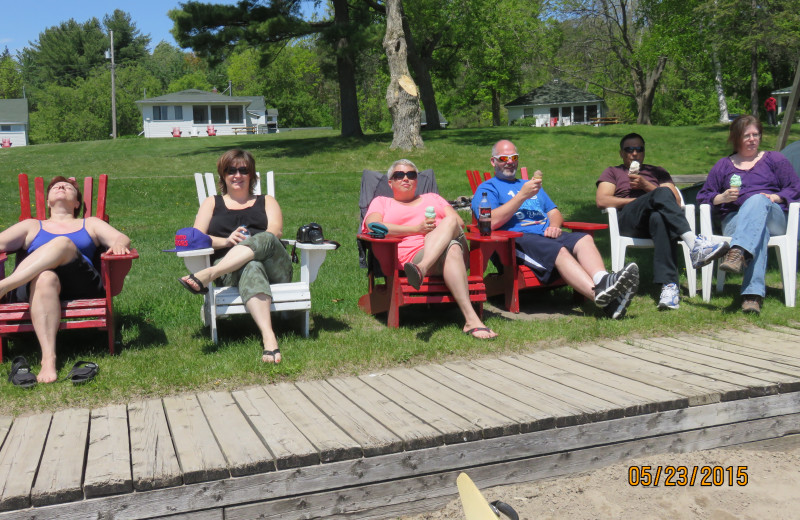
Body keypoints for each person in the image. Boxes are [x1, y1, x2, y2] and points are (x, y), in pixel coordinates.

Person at [473, 140, 639, 319]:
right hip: (518, 240)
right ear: (493, 161)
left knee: (584, 239)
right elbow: (489, 222)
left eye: (514, 157)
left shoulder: (531, 185)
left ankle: (604, 280)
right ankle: (601, 297)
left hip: (547, 235)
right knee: (558, 250)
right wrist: (522, 196)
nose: (510, 161)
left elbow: (554, 212)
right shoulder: (488, 188)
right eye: (504, 158)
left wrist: (554, 225)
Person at [0, 177, 131, 383]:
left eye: (68, 187)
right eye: (55, 187)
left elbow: (121, 238)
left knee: (62, 243)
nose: (61, 187)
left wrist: (119, 245)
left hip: (81, 284)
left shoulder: (90, 223)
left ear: (77, 203)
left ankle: (4, 286)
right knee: (45, 276)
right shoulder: (32, 226)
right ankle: (48, 359)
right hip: (36, 288)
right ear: (49, 201)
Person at [178, 149, 293, 363]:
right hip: (234, 272)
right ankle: (269, 339)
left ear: (252, 175)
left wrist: (249, 242)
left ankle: (209, 273)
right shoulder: (212, 203)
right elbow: (197, 238)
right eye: (231, 170)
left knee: (267, 238)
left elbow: (275, 233)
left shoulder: (267, 200)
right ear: (223, 176)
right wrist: (227, 241)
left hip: (274, 267)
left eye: (243, 170)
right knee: (251, 266)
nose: (237, 175)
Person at [362, 159, 497, 339]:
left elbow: (458, 222)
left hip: (431, 257)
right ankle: (472, 320)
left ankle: (422, 268)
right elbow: (373, 225)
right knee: (453, 249)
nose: (406, 178)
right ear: (390, 182)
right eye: (399, 175)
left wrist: (436, 230)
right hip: (414, 256)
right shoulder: (382, 202)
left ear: (417, 180)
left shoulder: (432, 198)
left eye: (411, 175)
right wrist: (415, 229)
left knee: (450, 223)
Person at [596, 133, 729, 310]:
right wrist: (642, 200)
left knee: (659, 217)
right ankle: (694, 244)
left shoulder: (656, 172)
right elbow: (602, 200)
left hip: (654, 223)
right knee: (660, 194)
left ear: (644, 152)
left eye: (639, 149)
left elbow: (676, 202)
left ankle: (669, 288)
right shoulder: (613, 172)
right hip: (629, 221)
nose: (634, 153)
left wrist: (646, 186)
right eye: (629, 149)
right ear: (621, 153)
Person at [696, 115, 800, 314]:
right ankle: (752, 296)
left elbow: (795, 188)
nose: (753, 139)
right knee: (758, 232)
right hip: (735, 221)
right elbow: (703, 197)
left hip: (774, 217)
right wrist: (722, 197)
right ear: (736, 138)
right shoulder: (723, 166)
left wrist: (774, 198)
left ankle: (736, 252)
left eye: (756, 134)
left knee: (757, 200)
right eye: (747, 135)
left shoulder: (774, 159)